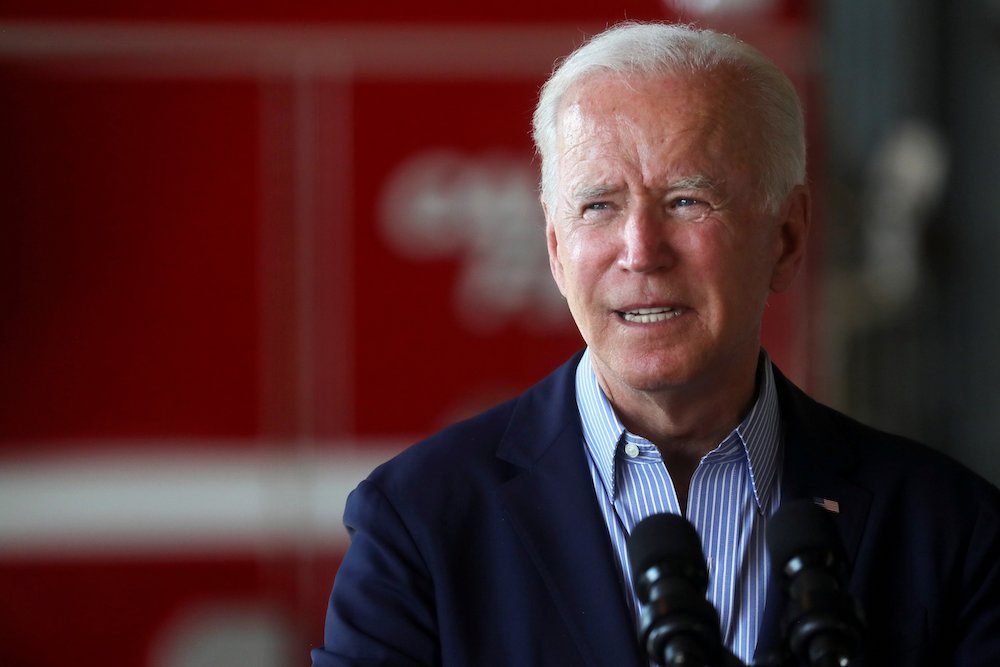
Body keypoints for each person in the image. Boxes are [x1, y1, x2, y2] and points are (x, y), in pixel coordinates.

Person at [311, 22, 1000, 666]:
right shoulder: (417, 524)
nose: (640, 252)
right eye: (599, 206)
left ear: (786, 238)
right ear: (555, 248)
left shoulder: (952, 530)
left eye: (686, 200)